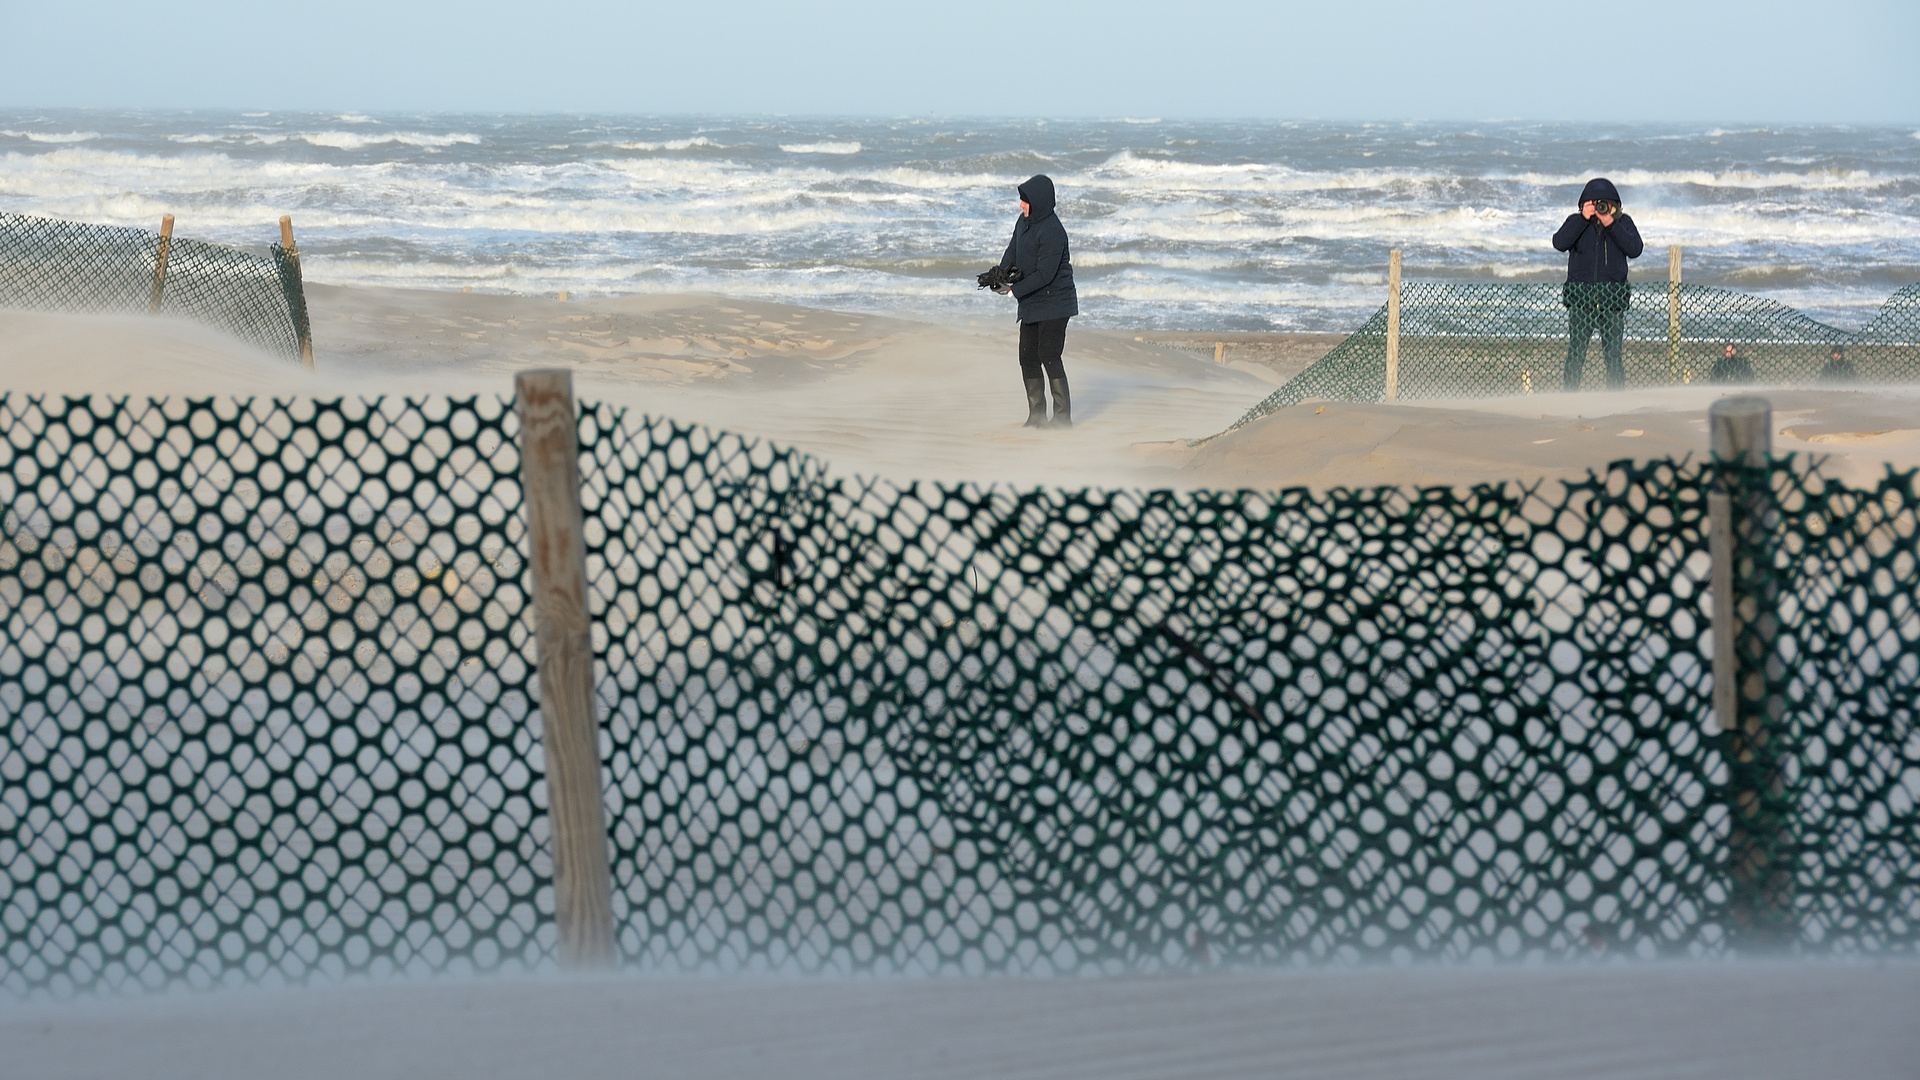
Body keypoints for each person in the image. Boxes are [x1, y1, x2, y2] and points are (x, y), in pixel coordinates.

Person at [992, 174, 1079, 427]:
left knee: (1049, 354)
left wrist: (1012, 290)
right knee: (1028, 356)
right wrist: (998, 273)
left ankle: (1062, 418)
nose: (1021, 205)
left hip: (1056, 302)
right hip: (1032, 300)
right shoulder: (1024, 222)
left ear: (1038, 202)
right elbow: (1013, 251)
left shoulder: (1054, 231)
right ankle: (1037, 416)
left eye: (1025, 201)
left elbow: (1045, 274)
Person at [1553, 178, 1644, 390]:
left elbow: (1635, 249)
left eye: (1605, 204)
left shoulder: (1623, 223)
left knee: (1614, 358)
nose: (1601, 208)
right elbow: (1559, 242)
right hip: (1581, 303)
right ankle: (1569, 398)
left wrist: (1610, 223)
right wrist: (1582, 219)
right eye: (1595, 204)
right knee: (1575, 356)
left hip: (1612, 303)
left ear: (1615, 205)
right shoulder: (1577, 223)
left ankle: (1615, 400)